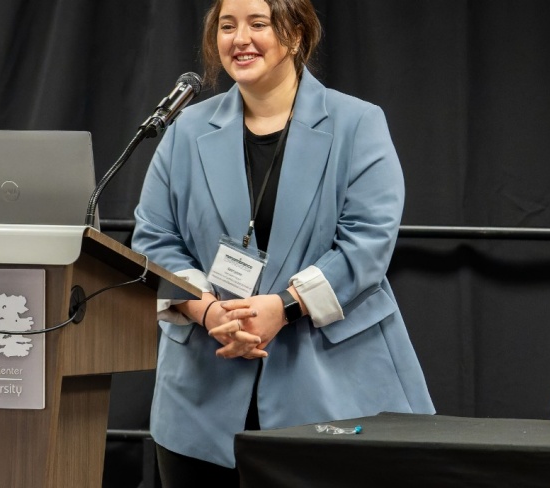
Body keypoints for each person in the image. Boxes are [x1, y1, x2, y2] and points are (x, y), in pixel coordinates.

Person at [131, 0, 434, 484]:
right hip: (203, 387)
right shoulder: (185, 131)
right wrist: (204, 309)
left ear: (295, 35)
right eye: (227, 26)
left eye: (258, 24)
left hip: (329, 385)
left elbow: (366, 245)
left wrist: (285, 306)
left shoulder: (357, 123)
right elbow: (154, 239)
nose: (239, 39)